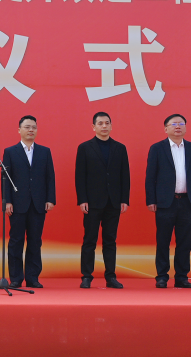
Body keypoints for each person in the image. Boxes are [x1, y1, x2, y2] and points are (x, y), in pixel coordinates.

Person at [145, 114, 191, 289]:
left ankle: (181, 277)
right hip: (165, 202)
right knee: (163, 241)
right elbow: (150, 177)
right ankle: (162, 277)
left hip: (188, 202)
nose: (178, 126)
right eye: (173, 124)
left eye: (181, 123)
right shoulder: (157, 148)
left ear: (185, 127)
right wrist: (151, 199)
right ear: (166, 129)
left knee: (185, 243)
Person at [74, 111, 129, 289]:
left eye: (107, 123)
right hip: (92, 202)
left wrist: (124, 199)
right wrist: (82, 199)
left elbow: (125, 176)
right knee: (89, 240)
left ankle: (111, 276)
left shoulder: (120, 148)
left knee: (110, 240)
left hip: (113, 201)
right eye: (100, 123)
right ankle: (86, 276)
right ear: (93, 127)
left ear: (111, 126)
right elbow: (80, 176)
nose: (104, 126)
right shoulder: (85, 147)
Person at [2, 115, 55, 289]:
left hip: (38, 203)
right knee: (16, 241)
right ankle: (16, 278)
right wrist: (7, 202)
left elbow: (50, 177)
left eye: (33, 127)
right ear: (19, 130)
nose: (31, 130)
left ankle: (32, 277)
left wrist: (50, 199)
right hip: (17, 204)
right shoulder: (10, 151)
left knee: (35, 241)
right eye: (27, 127)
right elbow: (6, 179)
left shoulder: (44, 152)